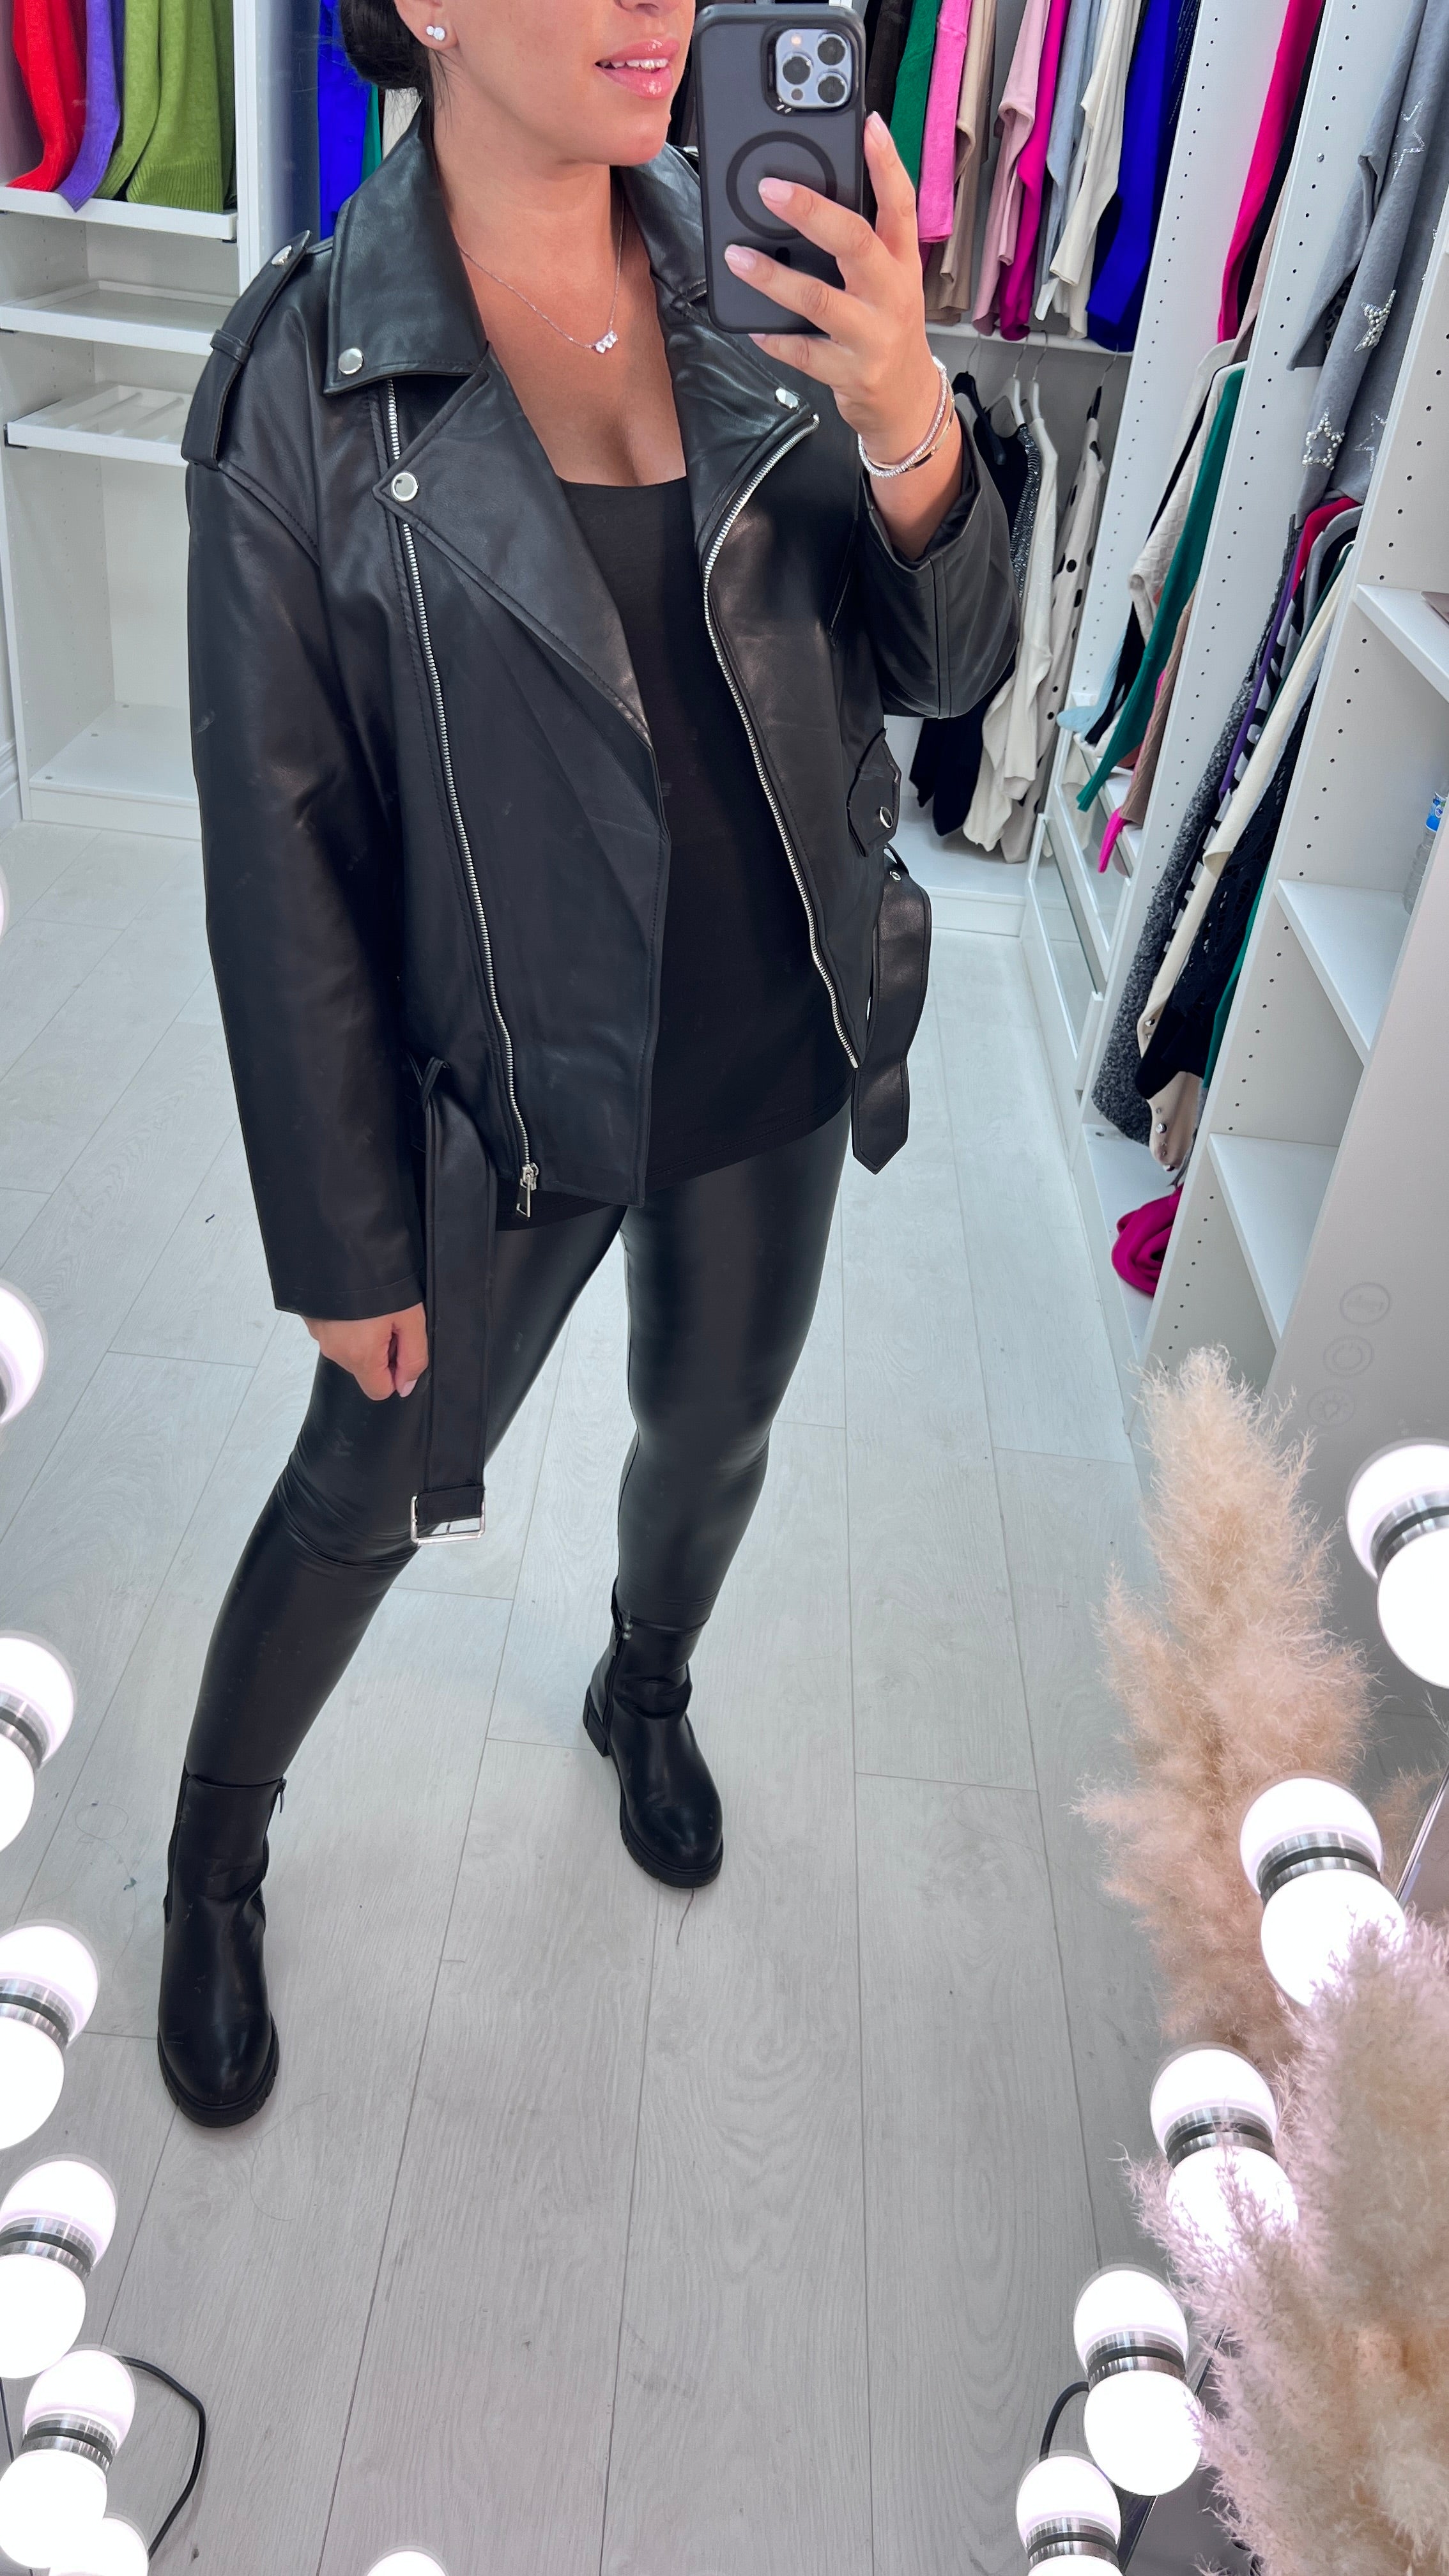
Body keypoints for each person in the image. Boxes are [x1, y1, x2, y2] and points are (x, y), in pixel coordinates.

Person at [159, 0, 1016, 2127]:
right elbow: (280, 854)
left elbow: (950, 669)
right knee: (360, 1490)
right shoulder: (303, 377)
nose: (663, 6)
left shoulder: (775, 284)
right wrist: (343, 1234)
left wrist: (910, 418)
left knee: (710, 1439)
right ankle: (212, 1856)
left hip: (772, 1041)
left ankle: (642, 1688)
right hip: (502, 1083)